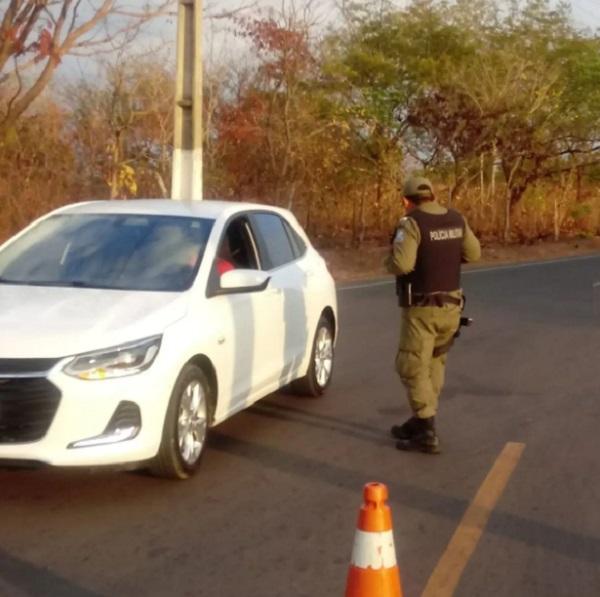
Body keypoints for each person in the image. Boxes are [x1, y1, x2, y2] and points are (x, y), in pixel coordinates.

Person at [385, 176, 481, 454]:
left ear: (406, 201)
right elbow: (473, 254)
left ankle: (426, 428)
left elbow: (402, 264)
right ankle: (420, 420)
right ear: (434, 196)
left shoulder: (411, 223)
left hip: (422, 309)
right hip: (452, 307)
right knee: (435, 363)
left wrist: (387, 260)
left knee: (412, 365)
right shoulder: (456, 219)